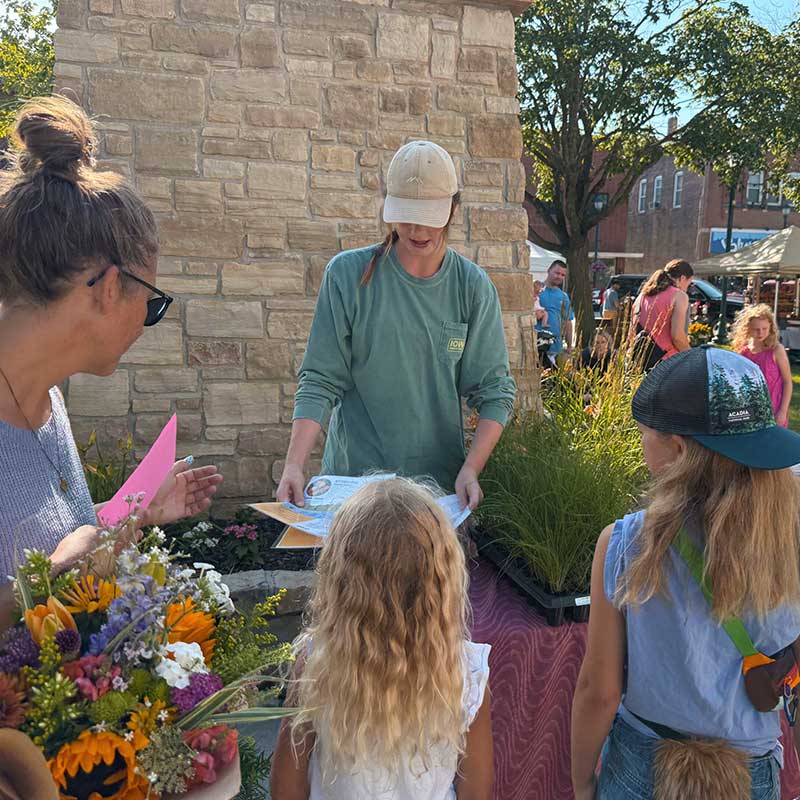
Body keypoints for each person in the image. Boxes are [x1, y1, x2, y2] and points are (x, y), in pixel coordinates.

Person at [0, 97, 222, 630]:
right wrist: (46, 584)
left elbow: (64, 540)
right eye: (152, 298)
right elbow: (52, 569)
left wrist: (135, 516)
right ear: (111, 285)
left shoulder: (48, 401)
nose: (151, 318)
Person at [571, 346, 800, 800]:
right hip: (750, 773)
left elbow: (599, 690)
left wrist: (581, 782)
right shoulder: (789, 536)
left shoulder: (623, 544)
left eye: (644, 436)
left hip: (644, 768)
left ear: (676, 449)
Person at [276, 140, 516, 511]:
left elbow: (495, 391)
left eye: (430, 216)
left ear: (453, 209)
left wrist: (471, 469)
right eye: (406, 215)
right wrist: (294, 464)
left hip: (435, 495)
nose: (417, 230)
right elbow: (320, 379)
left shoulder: (472, 287)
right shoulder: (347, 276)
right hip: (352, 490)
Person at [271, 477, 493, 800]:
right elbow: (478, 792)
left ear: (340, 580)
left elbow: (285, 790)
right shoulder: (467, 674)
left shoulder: (317, 663)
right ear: (442, 580)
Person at [732, 304, 792, 428]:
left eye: (764, 328)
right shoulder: (743, 353)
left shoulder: (776, 350)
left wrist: (782, 411)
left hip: (774, 407)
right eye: (756, 329)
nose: (761, 333)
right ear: (748, 329)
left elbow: (787, 382)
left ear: (771, 327)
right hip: (750, 409)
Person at [630, 259, 693, 364]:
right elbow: (677, 337)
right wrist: (691, 356)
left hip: (638, 359)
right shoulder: (679, 296)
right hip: (666, 361)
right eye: (688, 284)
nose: (687, 289)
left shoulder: (642, 296)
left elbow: (631, 333)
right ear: (682, 278)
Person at [536, 260, 574, 363]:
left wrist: (570, 345)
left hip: (555, 346)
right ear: (549, 270)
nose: (559, 277)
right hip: (536, 344)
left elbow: (568, 321)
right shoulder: (536, 290)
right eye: (557, 273)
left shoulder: (563, 296)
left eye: (562, 275)